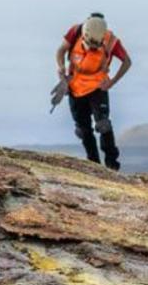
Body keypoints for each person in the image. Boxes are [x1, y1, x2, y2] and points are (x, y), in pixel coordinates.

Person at [56, 13, 133, 171]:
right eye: (90, 46)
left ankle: (112, 166)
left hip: (98, 87)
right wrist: (61, 67)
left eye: (96, 47)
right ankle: (94, 166)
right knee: (83, 129)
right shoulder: (75, 31)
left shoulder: (111, 41)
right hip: (75, 87)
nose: (93, 49)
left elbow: (127, 61)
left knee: (103, 125)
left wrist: (112, 82)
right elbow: (61, 50)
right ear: (84, 35)